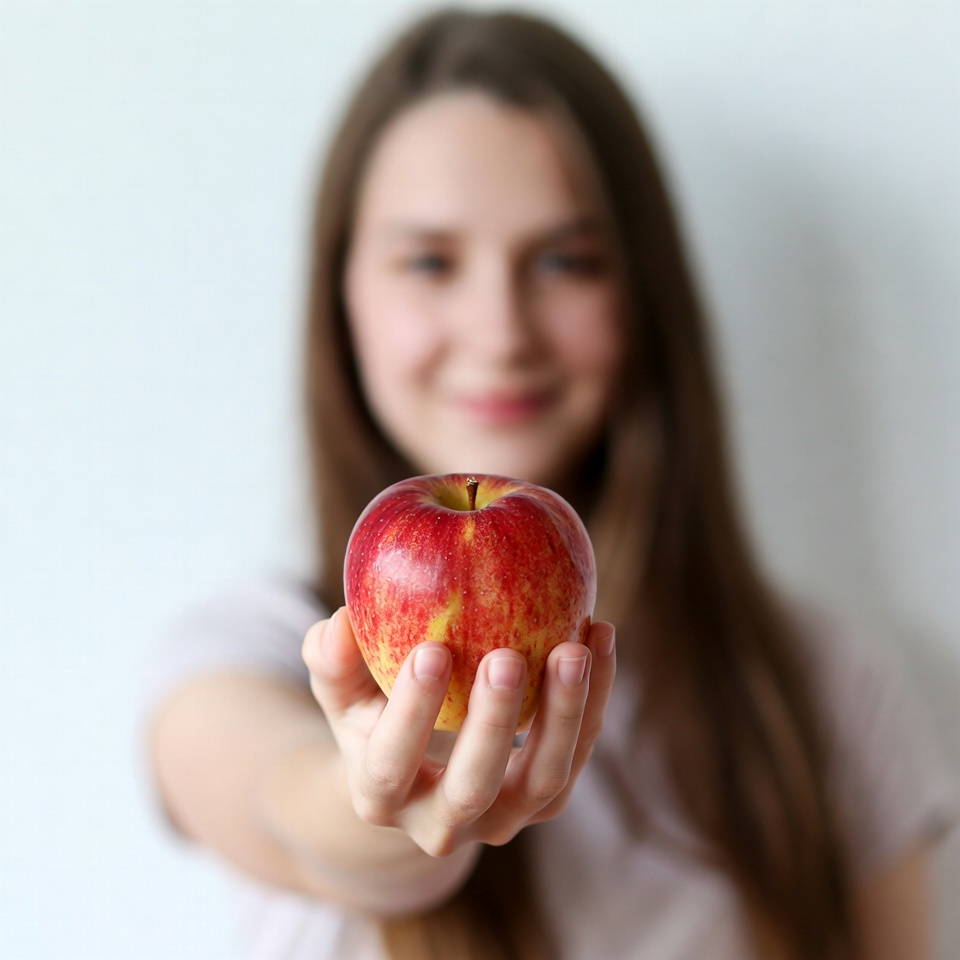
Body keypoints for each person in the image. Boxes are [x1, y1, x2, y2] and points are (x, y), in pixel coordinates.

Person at [144, 8, 958, 960]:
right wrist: (383, 802)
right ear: (343, 296)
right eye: (430, 261)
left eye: (567, 261)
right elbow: (285, 803)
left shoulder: (824, 693)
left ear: (644, 295)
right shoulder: (256, 650)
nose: (500, 332)